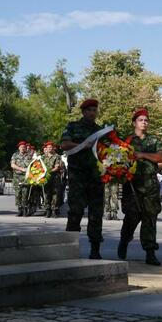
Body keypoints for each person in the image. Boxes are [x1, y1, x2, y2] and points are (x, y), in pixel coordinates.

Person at [117, 108, 162, 266]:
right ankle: (124, 241)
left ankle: (150, 252)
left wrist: (143, 155)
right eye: (141, 120)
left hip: (150, 184)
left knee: (150, 219)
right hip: (132, 184)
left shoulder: (154, 140)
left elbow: (161, 157)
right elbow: (118, 158)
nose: (144, 122)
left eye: (146, 120)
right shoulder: (128, 141)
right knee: (131, 218)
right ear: (134, 123)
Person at [61, 98, 105, 259]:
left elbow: (107, 151)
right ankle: (70, 248)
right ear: (83, 112)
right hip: (77, 175)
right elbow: (64, 145)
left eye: (94, 110)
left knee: (96, 215)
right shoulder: (72, 127)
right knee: (75, 212)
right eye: (89, 110)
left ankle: (95, 249)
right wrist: (83, 145)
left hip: (96, 177)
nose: (92, 113)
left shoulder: (100, 130)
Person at [41, 141, 62, 218]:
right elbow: (39, 167)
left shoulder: (57, 156)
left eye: (51, 147)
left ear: (53, 148)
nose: (49, 148)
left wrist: (47, 172)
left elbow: (57, 167)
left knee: (55, 195)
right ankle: (48, 210)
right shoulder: (43, 157)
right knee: (47, 194)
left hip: (55, 178)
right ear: (46, 148)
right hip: (46, 178)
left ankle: (54, 210)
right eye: (48, 147)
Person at [11, 141, 30, 216]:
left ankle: (25, 209)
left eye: (24, 147)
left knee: (25, 194)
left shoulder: (29, 156)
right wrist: (21, 169)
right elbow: (12, 165)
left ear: (26, 148)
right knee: (18, 194)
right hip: (17, 177)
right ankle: (20, 209)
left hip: (25, 177)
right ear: (19, 148)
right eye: (21, 147)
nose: (22, 148)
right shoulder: (15, 155)